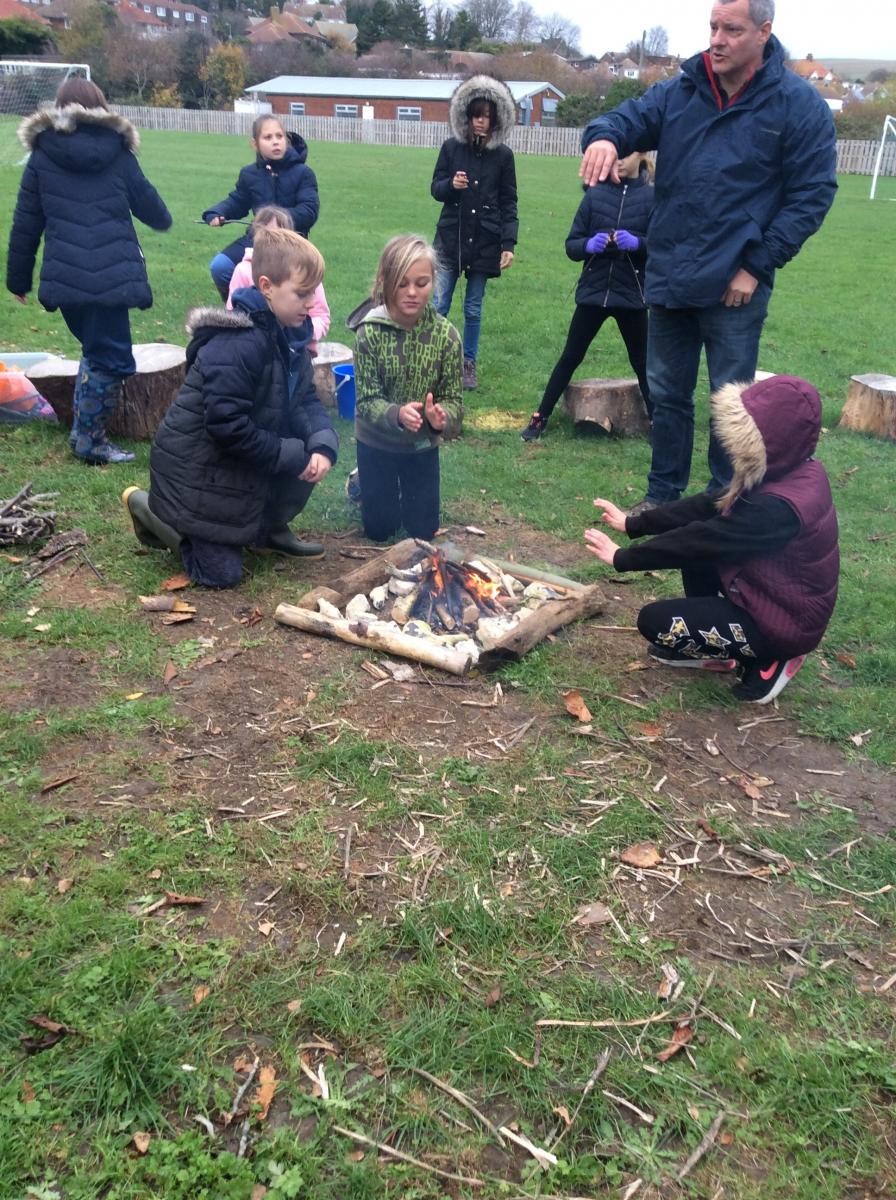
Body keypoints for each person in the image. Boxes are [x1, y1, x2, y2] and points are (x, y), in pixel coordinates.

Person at [579, 0, 837, 515]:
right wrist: (604, 138)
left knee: (732, 404)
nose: (717, 39)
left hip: (735, 284)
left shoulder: (797, 106)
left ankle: (728, 502)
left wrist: (756, 266)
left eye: (732, 29)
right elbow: (622, 119)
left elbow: (812, 195)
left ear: (764, 32)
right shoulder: (682, 91)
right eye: (713, 27)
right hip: (672, 273)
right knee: (668, 395)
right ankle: (662, 500)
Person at [584, 374, 839, 705]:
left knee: (654, 621)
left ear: (771, 437)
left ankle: (774, 658)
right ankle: (720, 652)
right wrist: (634, 524)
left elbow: (701, 539)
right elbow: (708, 506)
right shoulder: (788, 469)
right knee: (698, 553)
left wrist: (624, 558)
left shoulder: (777, 507)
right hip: (768, 592)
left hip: (785, 624)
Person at [122, 227, 338, 589]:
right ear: (267, 286)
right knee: (220, 575)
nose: (311, 303)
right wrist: (289, 454)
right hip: (198, 474)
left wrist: (321, 444)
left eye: (313, 293)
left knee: (305, 448)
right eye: (302, 293)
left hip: (235, 468)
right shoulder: (238, 344)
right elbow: (227, 428)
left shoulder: (291, 340)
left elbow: (305, 401)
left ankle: (266, 530)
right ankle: (150, 508)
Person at [6, 77, 172, 465]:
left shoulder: (42, 157)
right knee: (112, 359)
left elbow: (25, 223)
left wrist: (18, 279)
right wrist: (161, 218)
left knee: (97, 352)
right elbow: (152, 208)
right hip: (112, 279)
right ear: (101, 107)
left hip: (67, 281)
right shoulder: (119, 153)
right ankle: (89, 440)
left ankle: (85, 429)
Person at [521, 152, 654, 442]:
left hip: (630, 295)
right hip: (593, 294)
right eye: (615, 153)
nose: (619, 159)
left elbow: (662, 246)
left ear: (642, 154)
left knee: (642, 362)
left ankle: (657, 422)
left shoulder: (651, 197)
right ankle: (540, 417)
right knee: (570, 356)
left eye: (627, 153)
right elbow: (572, 245)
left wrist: (638, 243)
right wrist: (589, 245)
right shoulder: (594, 196)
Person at [351, 234, 462, 542]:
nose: (412, 292)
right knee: (379, 530)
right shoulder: (368, 332)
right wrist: (396, 414)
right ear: (384, 281)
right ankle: (362, 480)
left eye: (422, 283)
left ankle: (399, 492)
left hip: (421, 445)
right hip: (376, 441)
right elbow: (365, 401)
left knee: (422, 532)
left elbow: (454, 400)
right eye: (402, 283)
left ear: (435, 281)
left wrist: (442, 418)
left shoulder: (447, 336)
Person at [431, 75, 518, 392]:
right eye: (478, 115)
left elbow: (509, 201)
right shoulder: (451, 148)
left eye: (488, 117)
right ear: (467, 117)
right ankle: (434, 357)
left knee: (473, 308)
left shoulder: (504, 157)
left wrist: (508, 242)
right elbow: (435, 190)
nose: (482, 123)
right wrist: (451, 186)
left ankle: (469, 362)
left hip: (486, 240)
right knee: (440, 303)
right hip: (451, 237)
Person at [202, 115, 319, 301]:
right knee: (220, 267)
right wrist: (217, 212)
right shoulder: (249, 174)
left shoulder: (303, 173)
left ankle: (275, 313)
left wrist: (278, 220)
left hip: (292, 243)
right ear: (255, 144)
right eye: (268, 137)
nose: (275, 142)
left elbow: (309, 211)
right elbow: (237, 202)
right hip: (257, 239)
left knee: (281, 283)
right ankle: (240, 310)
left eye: (279, 136)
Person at [226, 205, 330, 356]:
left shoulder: (306, 274)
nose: (273, 243)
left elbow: (321, 316)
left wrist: (302, 332)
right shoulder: (243, 270)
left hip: (300, 351)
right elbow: (232, 316)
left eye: (280, 235)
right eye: (267, 236)